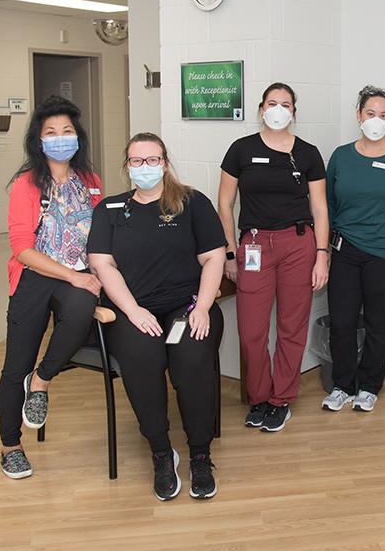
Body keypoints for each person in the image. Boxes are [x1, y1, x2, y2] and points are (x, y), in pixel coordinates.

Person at [88, 133, 226, 501]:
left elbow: (214, 257)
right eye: (137, 161)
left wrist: (201, 308)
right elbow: (102, 264)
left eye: (152, 160)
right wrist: (132, 310)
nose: (145, 167)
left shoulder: (192, 203)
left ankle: (199, 453)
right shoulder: (110, 210)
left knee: (191, 361)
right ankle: (162, 452)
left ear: (165, 163)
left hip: (187, 306)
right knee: (142, 360)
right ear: (126, 166)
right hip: (135, 309)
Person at [0, 96, 102, 480]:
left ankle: (40, 381)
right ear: (39, 141)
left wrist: (94, 271)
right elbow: (22, 249)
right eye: (51, 133)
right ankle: (11, 446)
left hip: (76, 274)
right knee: (15, 366)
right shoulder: (25, 185)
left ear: (78, 138)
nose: (61, 139)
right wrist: (73, 275)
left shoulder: (91, 182)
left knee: (78, 315)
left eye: (67, 132)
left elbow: (98, 235)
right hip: (35, 276)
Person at [217, 83, 330, 432]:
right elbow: (224, 204)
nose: (278, 109)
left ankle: (281, 399)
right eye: (272, 103)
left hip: (298, 244)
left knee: (291, 326)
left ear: (294, 111)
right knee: (251, 330)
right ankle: (259, 397)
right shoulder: (241, 150)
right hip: (252, 246)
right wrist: (229, 253)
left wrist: (322, 255)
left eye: (285, 104)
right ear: (261, 108)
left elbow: (320, 207)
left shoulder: (308, 153)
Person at [321, 86, 385, 413]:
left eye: (383, 115)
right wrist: (325, 248)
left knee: (378, 321)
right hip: (345, 251)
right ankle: (342, 385)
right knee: (342, 321)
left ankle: (369, 386)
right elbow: (328, 205)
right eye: (370, 113)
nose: (376, 120)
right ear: (358, 116)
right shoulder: (341, 156)